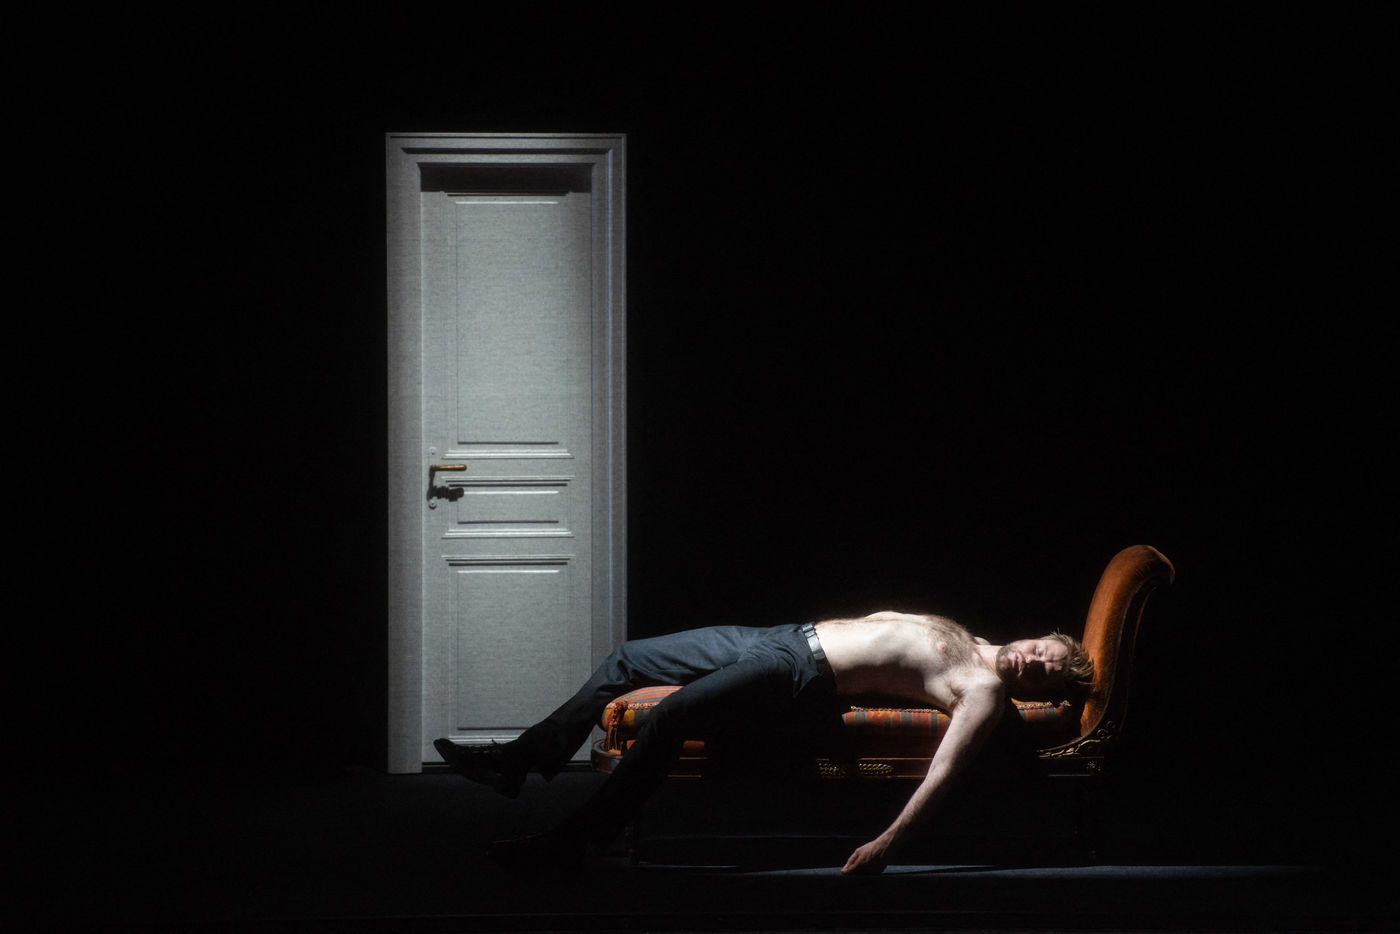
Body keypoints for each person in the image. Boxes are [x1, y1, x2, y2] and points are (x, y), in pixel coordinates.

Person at [435, 611, 1093, 875]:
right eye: (1045, 651)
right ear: (1036, 634)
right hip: (781, 637)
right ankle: (524, 760)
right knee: (628, 658)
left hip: (799, 674)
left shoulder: (982, 689)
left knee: (671, 717)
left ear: (1037, 688)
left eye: (1048, 673)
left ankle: (578, 839)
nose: (1036, 662)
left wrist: (889, 843)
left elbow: (944, 772)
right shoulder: (970, 636)